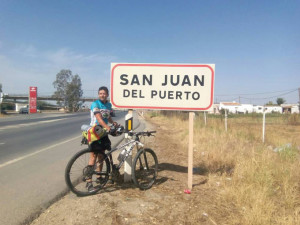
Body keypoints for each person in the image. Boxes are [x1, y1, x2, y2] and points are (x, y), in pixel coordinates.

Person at [86, 86, 118, 192]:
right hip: (95, 131)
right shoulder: (95, 104)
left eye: (104, 93)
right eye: (100, 93)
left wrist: (113, 123)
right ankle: (89, 181)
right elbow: (99, 118)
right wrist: (108, 127)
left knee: (101, 156)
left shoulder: (108, 105)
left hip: (103, 132)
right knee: (93, 156)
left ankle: (99, 177)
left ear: (107, 94)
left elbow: (107, 116)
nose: (102, 95)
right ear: (98, 94)